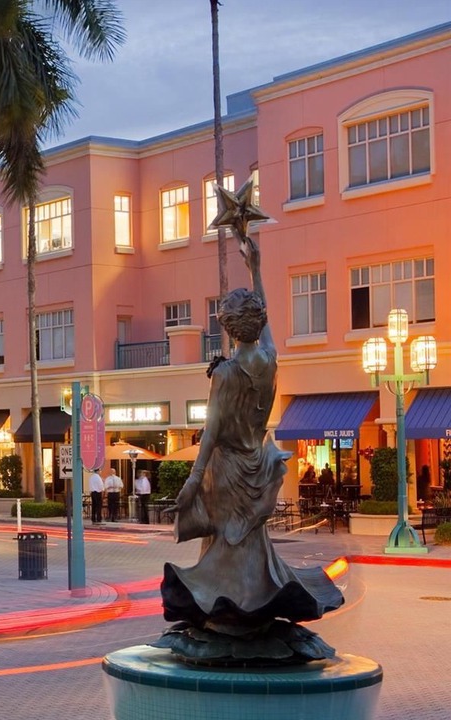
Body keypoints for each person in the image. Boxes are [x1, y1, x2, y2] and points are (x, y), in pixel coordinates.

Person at [162, 210, 342, 662]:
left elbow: (211, 432)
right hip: (257, 462)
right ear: (258, 324)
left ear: (227, 327)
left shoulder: (225, 374)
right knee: (249, 546)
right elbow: (268, 320)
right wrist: (256, 269)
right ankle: (256, 610)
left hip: (225, 470)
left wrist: (191, 481)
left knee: (224, 545)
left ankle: (226, 614)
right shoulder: (270, 359)